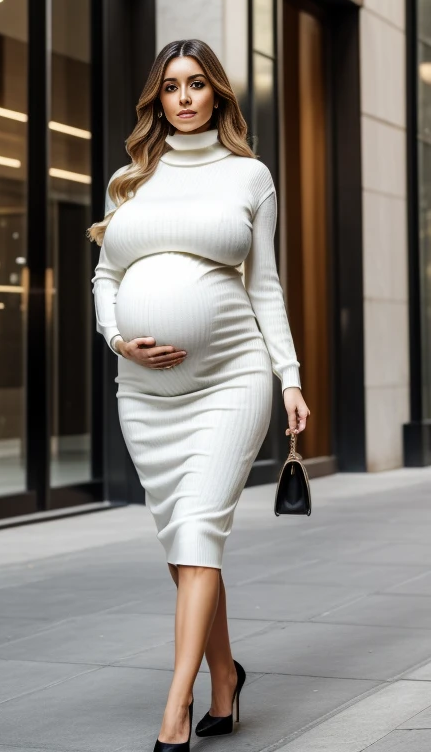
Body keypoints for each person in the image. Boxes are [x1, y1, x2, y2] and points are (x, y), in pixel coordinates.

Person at [89, 38, 311, 752]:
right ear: (157, 99)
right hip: (144, 393)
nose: (184, 98)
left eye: (196, 85)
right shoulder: (130, 180)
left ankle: (174, 710)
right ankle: (225, 683)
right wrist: (119, 339)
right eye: (171, 87)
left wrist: (291, 376)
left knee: (198, 534)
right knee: (189, 549)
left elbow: (264, 285)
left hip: (231, 380)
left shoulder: (248, 176)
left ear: (217, 94)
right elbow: (105, 280)